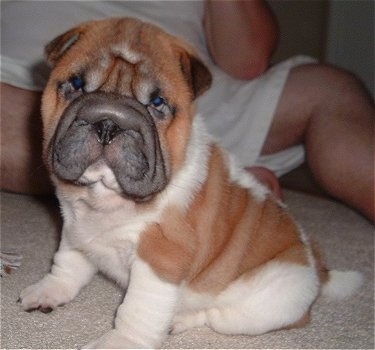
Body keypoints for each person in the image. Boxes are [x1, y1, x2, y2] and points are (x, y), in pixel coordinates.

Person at [1, 0, 374, 222]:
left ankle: (200, 179)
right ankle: (204, 190)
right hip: (39, 83)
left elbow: (248, 58)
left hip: (182, 100)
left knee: (330, 90)